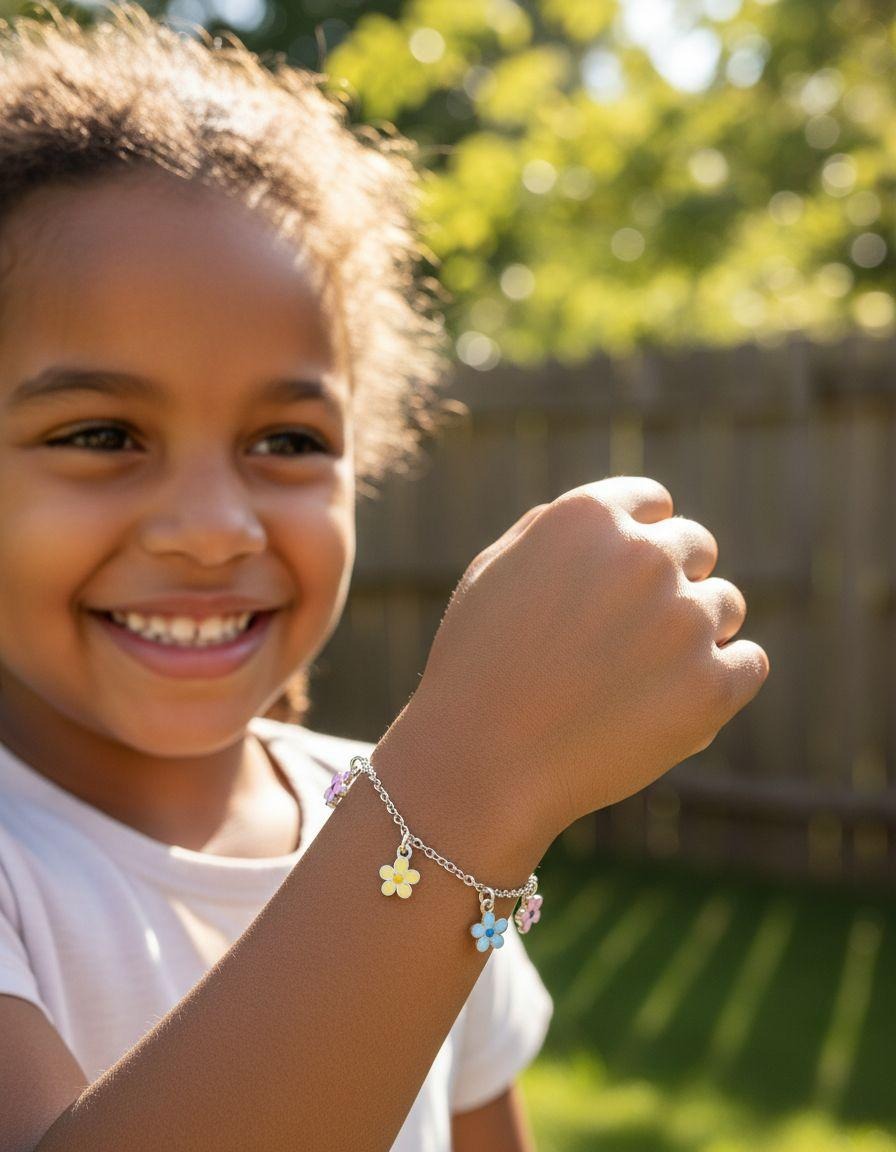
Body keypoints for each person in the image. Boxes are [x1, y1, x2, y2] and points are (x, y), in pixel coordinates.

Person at [0, 4, 770, 1151]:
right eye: (101, 434)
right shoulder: (434, 812)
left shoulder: (400, 814)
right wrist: (465, 780)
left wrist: (451, 800)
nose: (213, 531)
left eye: (288, 441)